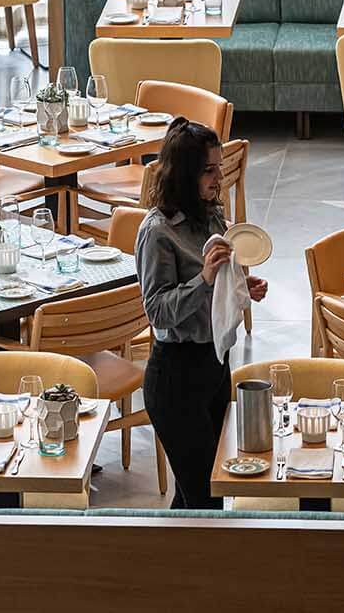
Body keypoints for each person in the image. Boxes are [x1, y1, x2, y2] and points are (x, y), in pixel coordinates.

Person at [135, 118, 268, 509]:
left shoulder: (211, 214)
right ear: (184, 174)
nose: (218, 177)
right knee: (205, 499)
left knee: (201, 493)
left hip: (214, 364)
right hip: (174, 377)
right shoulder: (158, 232)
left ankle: (174, 567)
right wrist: (206, 280)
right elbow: (157, 311)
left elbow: (221, 280)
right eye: (209, 170)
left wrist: (242, 287)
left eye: (219, 166)